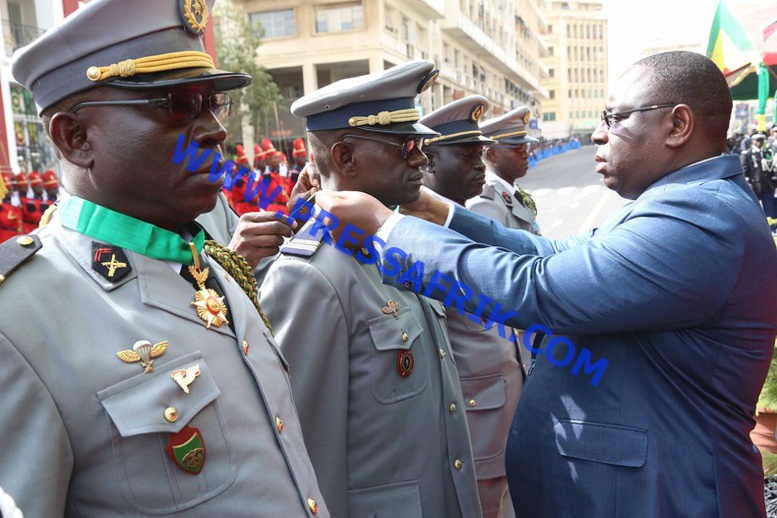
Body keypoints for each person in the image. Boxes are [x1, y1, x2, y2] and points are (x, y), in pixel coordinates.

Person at [314, 51, 777, 516]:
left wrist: (385, 228)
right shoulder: (682, 203)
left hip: (667, 496)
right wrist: (441, 213)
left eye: (614, 118)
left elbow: (539, 288)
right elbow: (558, 255)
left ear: (678, 125)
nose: (599, 133)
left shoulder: (700, 218)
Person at [3, 1, 327, 516]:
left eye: (210, 102)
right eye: (175, 105)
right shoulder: (17, 324)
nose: (214, 130)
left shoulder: (214, 265)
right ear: (76, 138)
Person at [259, 60, 482, 518]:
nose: (421, 157)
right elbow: (309, 459)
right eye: (406, 145)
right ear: (345, 158)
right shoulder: (311, 276)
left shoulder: (399, 247)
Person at [419, 95, 523, 518]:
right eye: (465, 154)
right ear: (427, 161)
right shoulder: (414, 237)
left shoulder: (464, 221)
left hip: (504, 407)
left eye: (480, 153)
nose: (480, 164)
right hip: (470, 419)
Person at [467, 106, 541, 235]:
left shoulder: (510, 190)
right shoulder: (485, 204)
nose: (526, 154)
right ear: (492, 154)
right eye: (518, 149)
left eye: (526, 147)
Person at [742, 133, 777, 217]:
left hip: (768, 185)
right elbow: (745, 169)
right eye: (757, 140)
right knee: (754, 209)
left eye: (761, 140)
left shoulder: (767, 152)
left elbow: (772, 167)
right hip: (755, 185)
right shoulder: (748, 153)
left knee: (770, 208)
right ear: (753, 141)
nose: (759, 142)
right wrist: (748, 182)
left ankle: (771, 227)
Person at [0, 172, 22, 242]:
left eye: (10, 189)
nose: (10, 192)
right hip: (5, 239)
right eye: (8, 190)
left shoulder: (14, 202)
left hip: (17, 236)